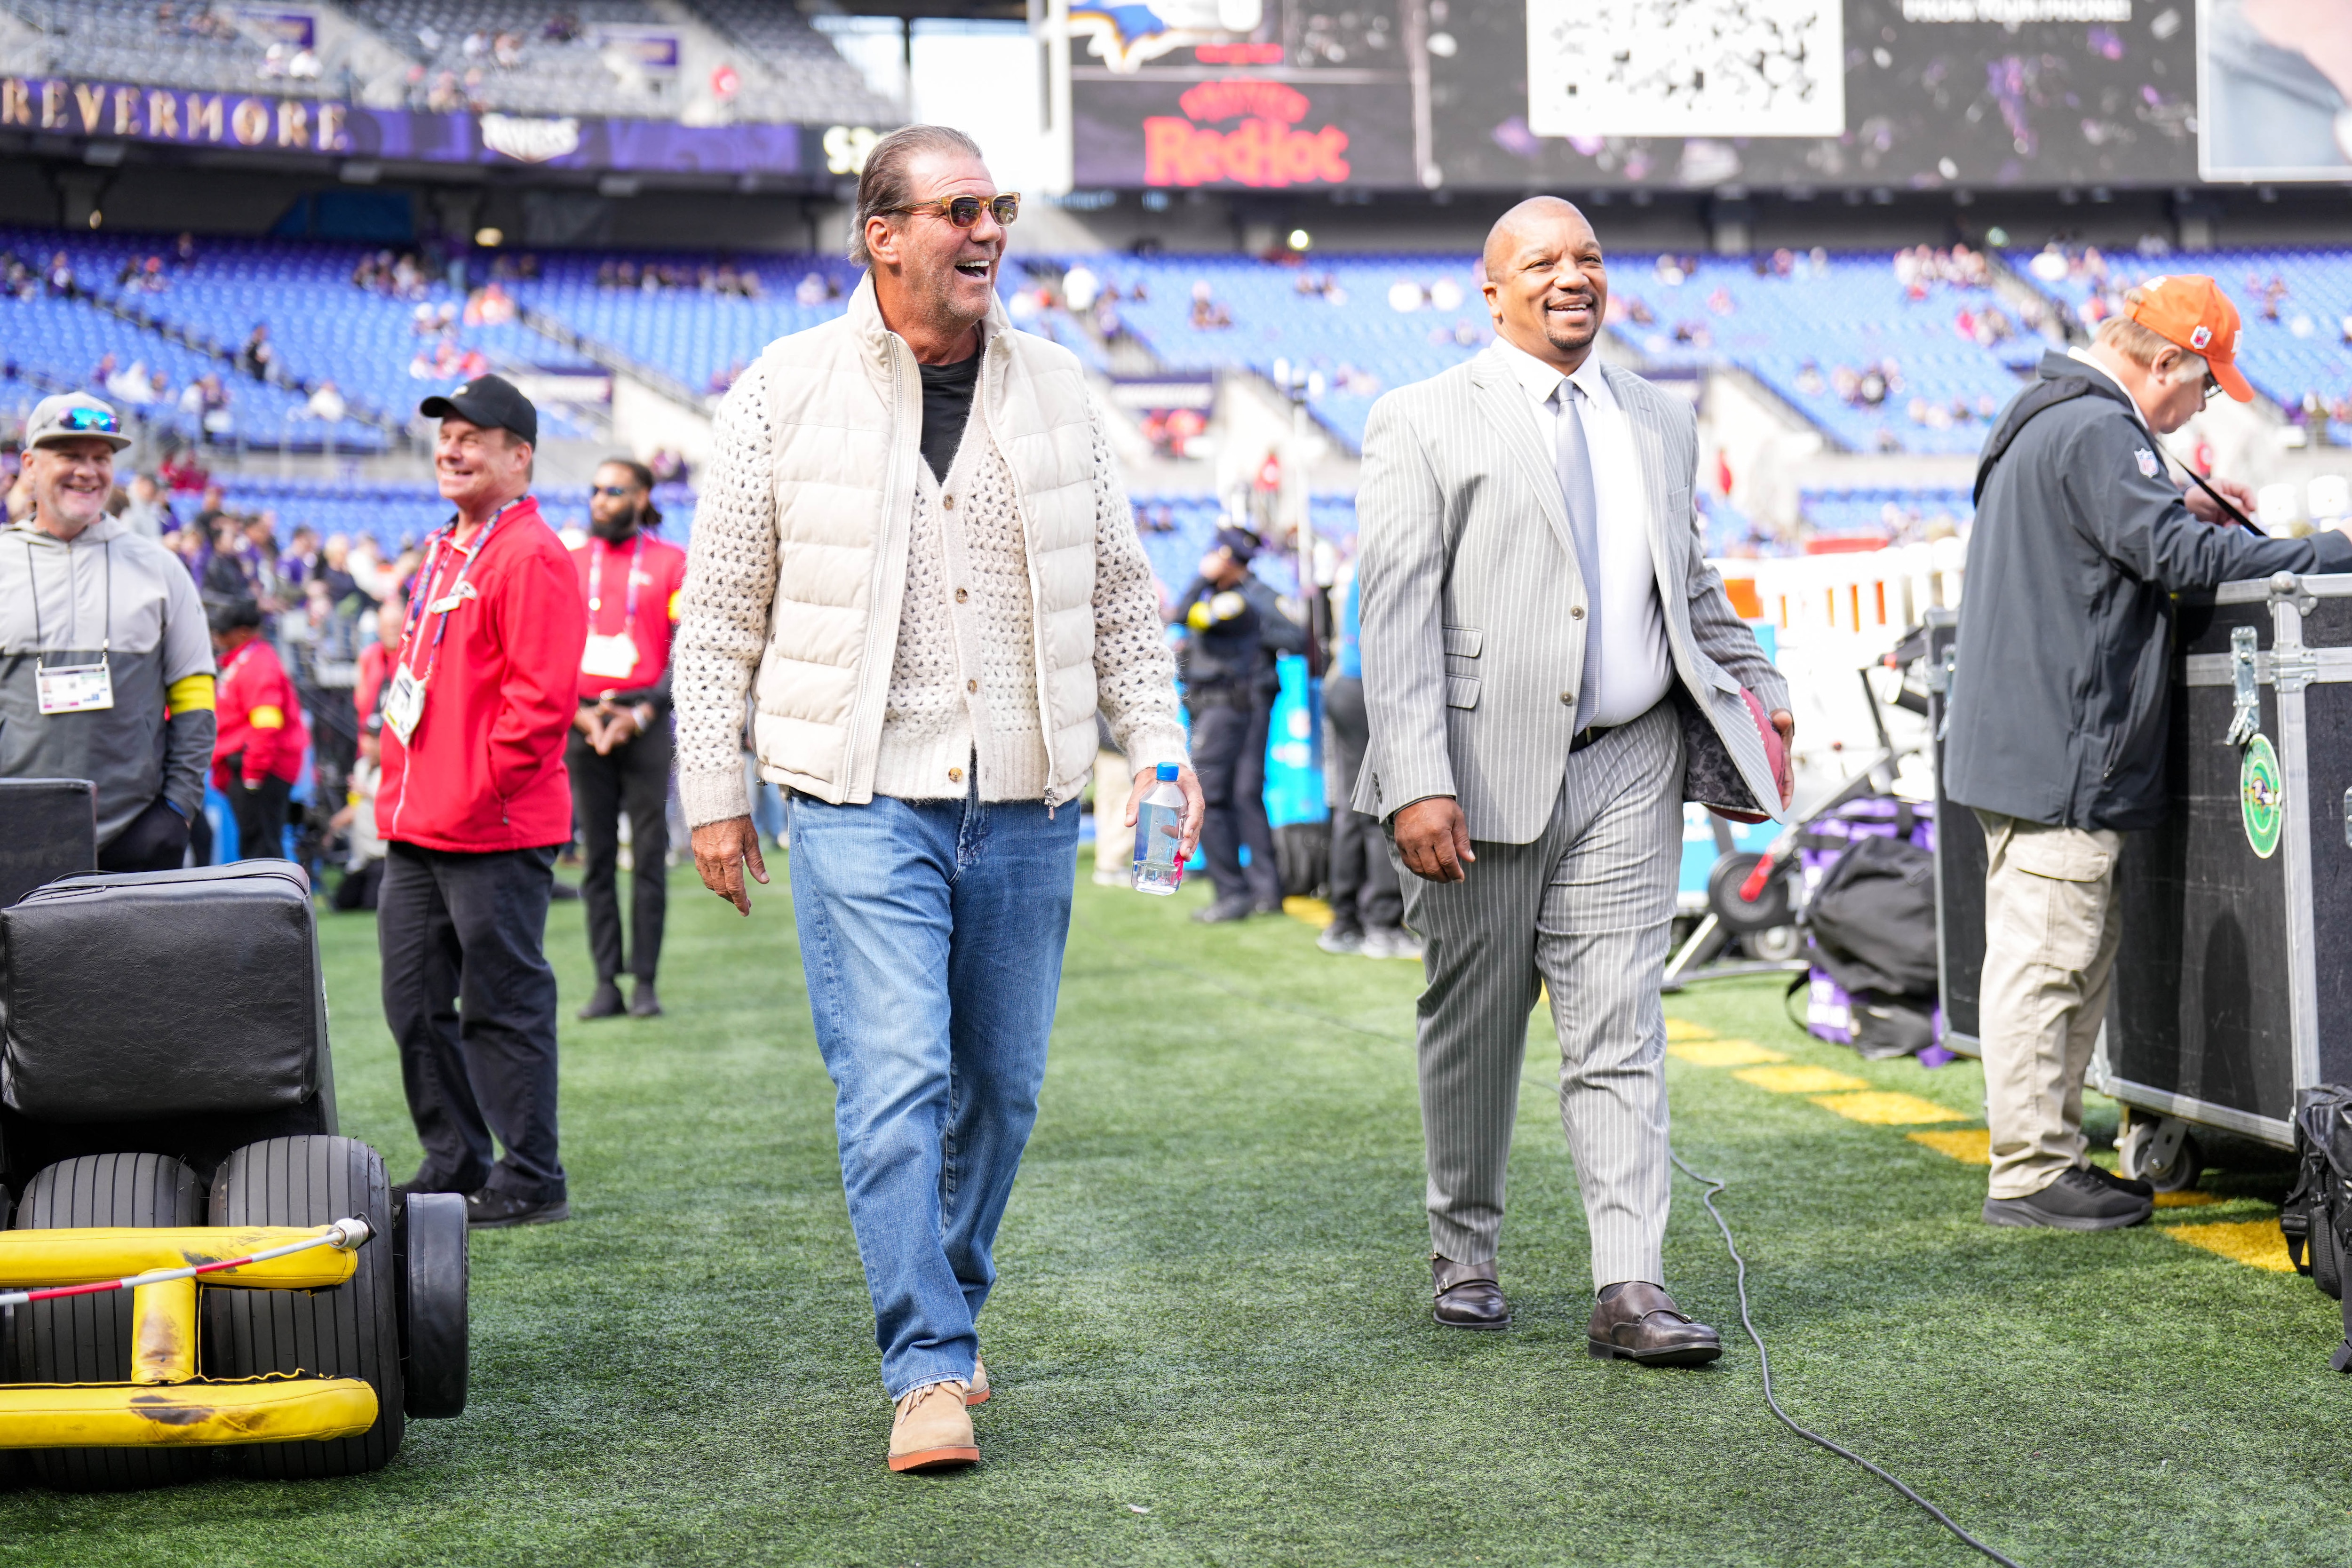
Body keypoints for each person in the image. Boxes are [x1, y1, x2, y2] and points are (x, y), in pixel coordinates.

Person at [673, 124, 1199, 1474]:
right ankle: (923, 1365)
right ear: (883, 234)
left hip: (1027, 797)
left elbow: (1122, 597)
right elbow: (718, 615)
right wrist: (713, 788)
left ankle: (950, 1303)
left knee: (1002, 1091)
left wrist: (1160, 745)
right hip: (858, 799)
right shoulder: (783, 389)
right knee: (897, 1076)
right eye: (960, 209)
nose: (989, 232)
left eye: (998, 206)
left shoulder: (1062, 387)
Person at [1356, 198, 1793, 1363]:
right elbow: (1394, 613)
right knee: (1475, 1027)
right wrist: (1415, 777)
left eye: (1588, 257)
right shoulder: (1419, 417)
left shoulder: (1659, 416)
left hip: (1631, 764)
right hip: (1474, 775)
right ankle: (1464, 1251)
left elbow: (1687, 586)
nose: (1571, 276)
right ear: (1492, 291)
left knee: (1619, 1027)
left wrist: (1758, 682)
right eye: (1541, 261)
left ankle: (1629, 1285)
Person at [1947, 276, 2352, 1232]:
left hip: (2035, 737)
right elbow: (2175, 558)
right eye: (2204, 385)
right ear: (2164, 359)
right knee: (2048, 962)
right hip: (2062, 745)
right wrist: (2323, 552)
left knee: (2053, 956)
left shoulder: (2046, 415)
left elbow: (2125, 548)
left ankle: (2045, 1155)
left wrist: (2187, 519)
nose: (2203, 405)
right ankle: (2030, 1170)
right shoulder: (2097, 428)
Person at [376, 375, 588, 1229]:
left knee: (503, 1004)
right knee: (412, 1001)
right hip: (419, 820)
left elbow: (540, 704)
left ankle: (531, 1174)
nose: (452, 450)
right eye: (446, 437)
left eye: (473, 437)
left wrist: (479, 787)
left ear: (519, 456)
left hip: (491, 826)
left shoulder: (531, 553)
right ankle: (455, 1158)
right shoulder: (448, 547)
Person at [0, 393, 215, 871]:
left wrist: (178, 809)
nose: (88, 471)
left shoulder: (161, 567)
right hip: (13, 834)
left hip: (135, 833)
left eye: (101, 458)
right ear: (30, 465)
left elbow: (196, 691)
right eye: (70, 456)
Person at [568, 458, 689, 1021]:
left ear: (641, 498)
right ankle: (604, 983)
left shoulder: (671, 563)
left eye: (613, 490)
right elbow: (548, 648)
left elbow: (683, 649)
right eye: (595, 489)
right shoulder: (570, 563)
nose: (599, 500)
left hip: (644, 721)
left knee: (646, 857)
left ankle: (644, 982)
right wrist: (578, 714)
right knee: (595, 858)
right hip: (584, 720)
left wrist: (641, 714)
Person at [1170, 526, 1305, 923]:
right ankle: (1250, 889)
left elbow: (1296, 638)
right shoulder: (1217, 596)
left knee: (1243, 792)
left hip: (1250, 698)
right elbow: (1183, 617)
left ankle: (1260, 889)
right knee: (1236, 792)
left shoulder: (1258, 596)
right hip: (1223, 702)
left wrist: (1252, 626)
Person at [1318, 552, 1415, 960]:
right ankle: (1381, 922)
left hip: (1349, 683)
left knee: (1352, 808)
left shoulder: (1370, 552)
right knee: (1379, 810)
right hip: (1366, 687)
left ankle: (1346, 919)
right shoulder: (1390, 551)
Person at [208, 596, 308, 860]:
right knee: (257, 845)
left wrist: (254, 774)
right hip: (251, 766)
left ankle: (271, 891)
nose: (217, 638)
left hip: (260, 770)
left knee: (261, 850)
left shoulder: (260, 665)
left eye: (223, 632)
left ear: (243, 633)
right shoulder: (246, 660)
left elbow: (267, 726)